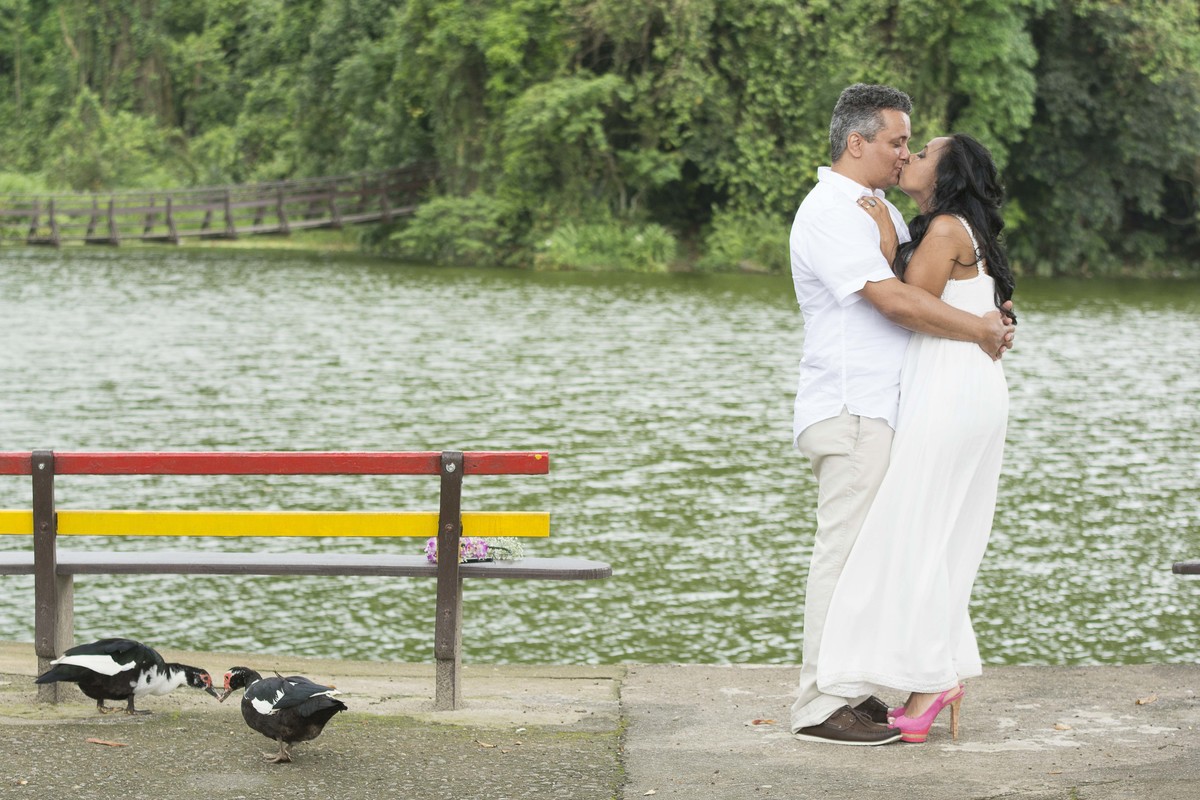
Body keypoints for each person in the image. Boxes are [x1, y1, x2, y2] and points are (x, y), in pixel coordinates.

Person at [787, 83, 1014, 746]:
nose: (903, 152)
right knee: (845, 554)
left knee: (872, 556)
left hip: (889, 411)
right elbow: (894, 302)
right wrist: (977, 330)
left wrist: (988, 320)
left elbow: (931, 286)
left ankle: (854, 692)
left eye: (911, 144)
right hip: (853, 407)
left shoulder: (877, 206)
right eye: (894, 142)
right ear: (856, 142)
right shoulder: (832, 210)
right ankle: (820, 704)